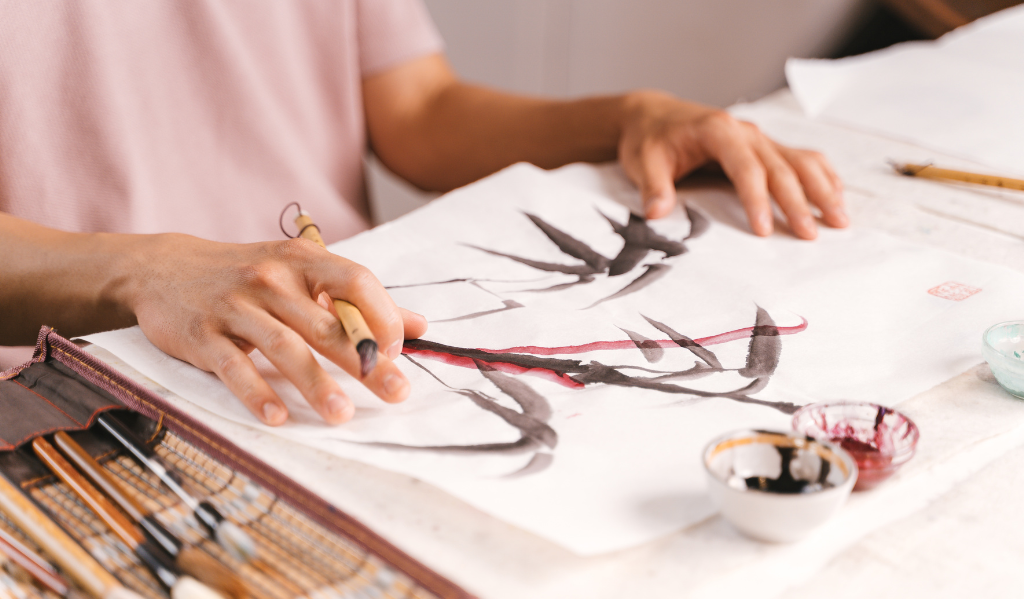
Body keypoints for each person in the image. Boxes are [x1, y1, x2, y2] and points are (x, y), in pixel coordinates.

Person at [0, 1, 847, 426]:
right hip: (72, 402)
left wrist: (624, 119)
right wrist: (142, 268)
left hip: (344, 356)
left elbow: (417, 108)